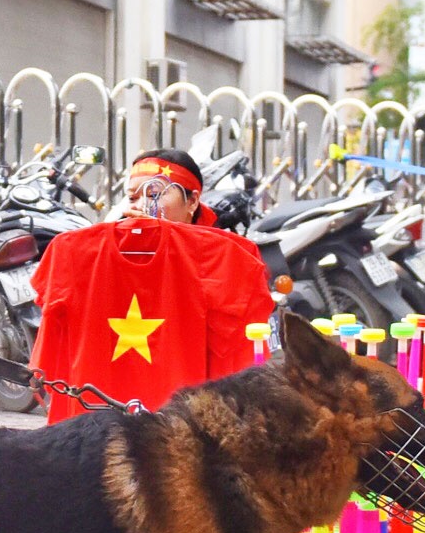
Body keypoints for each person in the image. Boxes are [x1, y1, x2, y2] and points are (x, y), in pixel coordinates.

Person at [30, 149, 272, 422]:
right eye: (133, 196)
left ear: (193, 201)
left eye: (155, 194)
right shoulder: (74, 252)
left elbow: (243, 359)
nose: (143, 204)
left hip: (179, 432)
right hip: (96, 427)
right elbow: (48, 355)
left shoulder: (221, 258)